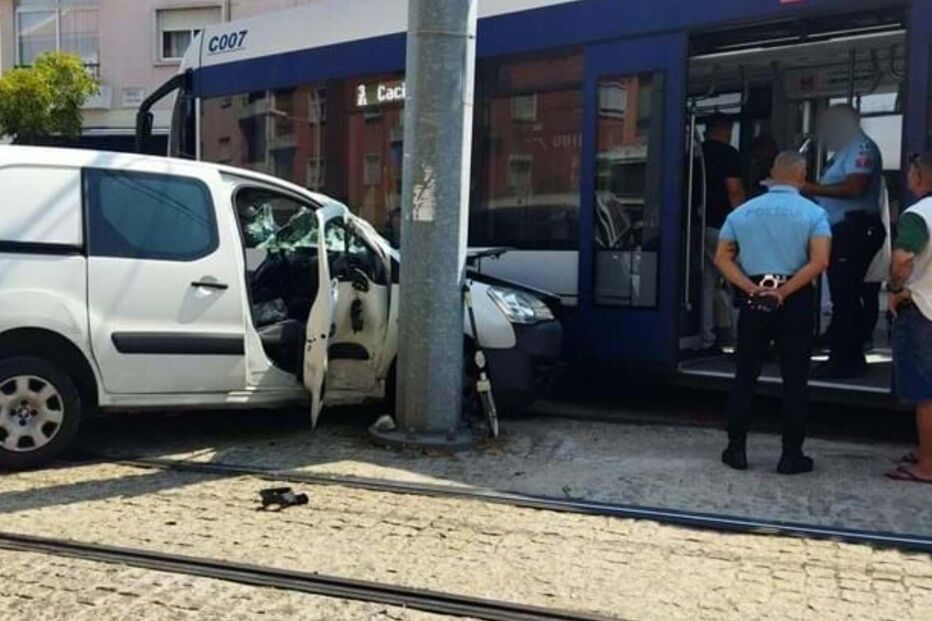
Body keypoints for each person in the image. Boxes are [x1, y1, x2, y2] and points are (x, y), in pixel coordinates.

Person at [715, 151, 831, 474]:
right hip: (794, 300)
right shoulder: (814, 213)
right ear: (802, 174)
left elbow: (722, 258)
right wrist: (784, 291)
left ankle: (736, 449)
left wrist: (751, 289)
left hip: (754, 298)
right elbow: (820, 260)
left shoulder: (743, 212)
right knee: (795, 379)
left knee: (745, 374)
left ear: (772, 174)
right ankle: (790, 455)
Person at [804, 105, 885, 378]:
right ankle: (849, 356)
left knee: (845, 297)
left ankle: (843, 360)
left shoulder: (860, 148)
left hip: (855, 228)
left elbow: (855, 187)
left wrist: (812, 188)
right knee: (845, 295)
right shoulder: (843, 150)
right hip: (843, 229)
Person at [886, 152, 932, 484]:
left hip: (923, 309)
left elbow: (902, 259)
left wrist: (895, 287)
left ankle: (927, 463)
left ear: (919, 176)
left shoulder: (918, 215)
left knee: (925, 393)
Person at [700, 113, 746, 354]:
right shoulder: (728, 154)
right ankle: (743, 338)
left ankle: (706, 338)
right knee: (738, 282)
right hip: (723, 227)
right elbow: (735, 191)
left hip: (699, 225)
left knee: (707, 285)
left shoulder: (696, 153)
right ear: (725, 129)